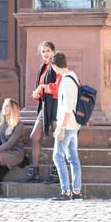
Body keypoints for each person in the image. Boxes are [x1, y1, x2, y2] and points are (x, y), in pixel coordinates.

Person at [18, 41, 60, 184]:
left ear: (53, 51)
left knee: (57, 138)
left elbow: (58, 87)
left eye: (48, 51)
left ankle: (57, 172)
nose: (45, 54)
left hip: (55, 105)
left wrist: (42, 87)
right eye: (43, 51)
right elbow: (41, 87)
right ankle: (34, 171)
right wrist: (38, 93)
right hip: (44, 106)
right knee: (34, 136)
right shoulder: (43, 67)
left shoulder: (57, 66)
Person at [48, 51, 83, 201]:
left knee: (58, 157)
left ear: (55, 66)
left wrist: (61, 128)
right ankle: (76, 192)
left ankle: (66, 192)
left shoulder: (67, 80)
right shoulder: (72, 76)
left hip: (67, 125)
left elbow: (68, 106)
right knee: (73, 158)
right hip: (73, 124)